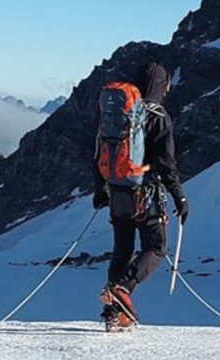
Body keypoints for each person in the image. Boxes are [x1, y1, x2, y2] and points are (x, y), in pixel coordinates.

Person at [93, 61, 189, 332]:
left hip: (118, 191)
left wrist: (101, 189)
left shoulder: (119, 113)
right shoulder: (158, 115)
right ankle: (123, 289)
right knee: (156, 248)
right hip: (147, 195)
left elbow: (100, 149)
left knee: (122, 250)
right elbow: (166, 163)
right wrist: (179, 197)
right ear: (161, 84)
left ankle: (114, 313)